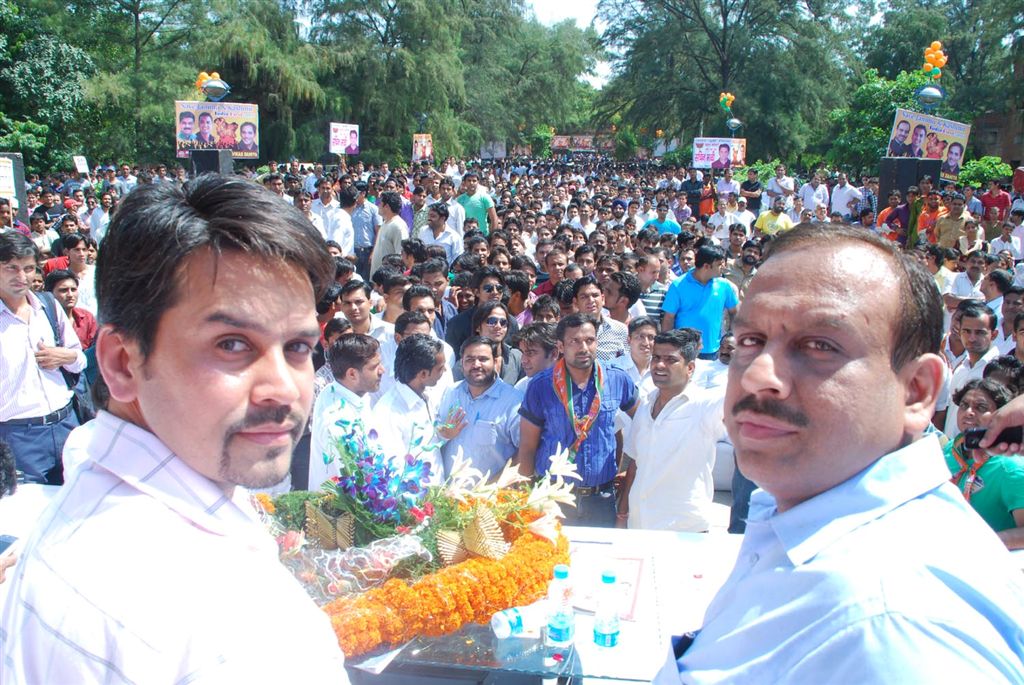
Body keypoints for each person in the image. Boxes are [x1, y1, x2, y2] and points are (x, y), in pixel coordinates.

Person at [0, 175, 350, 681]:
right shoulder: (241, 630)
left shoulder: (80, 497)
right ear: (122, 363)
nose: (282, 387)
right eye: (231, 344)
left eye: (296, 347)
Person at [675, 222, 1024, 682]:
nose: (759, 374)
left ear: (917, 391)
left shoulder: (896, 629)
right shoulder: (799, 509)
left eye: (820, 345)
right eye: (750, 340)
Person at [517, 313, 638, 527]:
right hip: (552, 496)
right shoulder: (541, 386)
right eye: (575, 341)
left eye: (589, 340)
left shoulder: (617, 379)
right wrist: (525, 498)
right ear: (561, 346)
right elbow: (527, 447)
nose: (584, 348)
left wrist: (632, 471)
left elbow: (644, 424)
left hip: (601, 498)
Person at [0, 232, 86, 486]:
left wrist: (66, 356)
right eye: (11, 268)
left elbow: (79, 359)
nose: (21, 277)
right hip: (18, 437)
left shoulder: (48, 306)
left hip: (68, 424)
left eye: (28, 268)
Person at [619, 328, 725, 532]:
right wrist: (622, 514)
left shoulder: (704, 406)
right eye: (656, 357)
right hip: (639, 525)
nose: (659, 365)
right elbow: (635, 464)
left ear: (690, 367)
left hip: (683, 529)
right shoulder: (645, 406)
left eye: (671, 360)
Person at [945, 379, 1024, 550]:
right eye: (964, 405)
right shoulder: (948, 451)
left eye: (981, 408)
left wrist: (982, 545)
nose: (969, 412)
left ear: (1002, 415)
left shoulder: (1011, 468)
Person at [436, 336, 522, 478]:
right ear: (461, 363)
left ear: (495, 362)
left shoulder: (514, 401)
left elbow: (525, 453)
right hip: (446, 495)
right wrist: (443, 434)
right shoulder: (450, 393)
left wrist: (494, 485)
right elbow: (434, 436)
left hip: (489, 496)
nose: (476, 365)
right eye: (469, 360)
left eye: (483, 359)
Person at [308, 334, 384, 489]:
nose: (382, 370)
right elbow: (359, 486)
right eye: (374, 367)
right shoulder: (338, 422)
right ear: (352, 374)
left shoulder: (341, 390)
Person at [372, 333, 446, 484]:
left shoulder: (426, 396)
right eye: (440, 368)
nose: (444, 371)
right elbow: (393, 473)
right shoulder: (388, 413)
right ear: (423, 374)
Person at [662, 245, 738, 360]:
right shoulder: (678, 285)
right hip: (684, 351)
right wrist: (667, 348)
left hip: (714, 352)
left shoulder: (724, 285)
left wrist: (732, 336)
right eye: (719, 264)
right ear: (707, 266)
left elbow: (735, 312)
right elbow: (668, 318)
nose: (723, 267)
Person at [572, 274, 629, 361]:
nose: (591, 300)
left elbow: (627, 362)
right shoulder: (567, 330)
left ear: (602, 299)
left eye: (595, 295)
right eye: (584, 297)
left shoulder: (620, 329)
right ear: (576, 302)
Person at [43, 269, 97, 350]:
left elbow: (95, 349)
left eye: (73, 290)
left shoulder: (87, 318)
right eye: (63, 290)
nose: (70, 295)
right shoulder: (41, 319)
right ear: (49, 293)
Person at [370, 190, 408, 275]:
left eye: (380, 203)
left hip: (388, 279)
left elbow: (400, 256)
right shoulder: (385, 222)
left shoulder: (398, 226)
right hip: (378, 278)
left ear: (386, 206)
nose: (378, 206)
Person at [513, 321, 559, 392]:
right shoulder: (522, 387)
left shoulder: (574, 387)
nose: (523, 360)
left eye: (530, 353)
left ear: (554, 354)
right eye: (522, 352)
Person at [456, 172, 497, 236]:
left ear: (478, 182)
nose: (471, 183)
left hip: (483, 236)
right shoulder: (459, 199)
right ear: (464, 182)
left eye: (474, 181)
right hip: (465, 236)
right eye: (469, 180)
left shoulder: (485, 197)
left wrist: (491, 237)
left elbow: (494, 218)